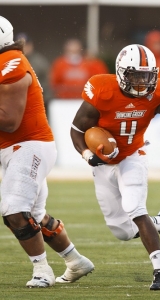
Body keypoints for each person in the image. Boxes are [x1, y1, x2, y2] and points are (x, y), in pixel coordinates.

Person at [70, 44, 160, 290]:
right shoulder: (101, 89)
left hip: (132, 155)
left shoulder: (157, 91)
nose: (142, 81)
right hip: (105, 161)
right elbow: (76, 130)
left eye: (147, 75)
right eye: (135, 75)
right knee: (122, 231)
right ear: (120, 72)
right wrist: (87, 154)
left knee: (134, 207)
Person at [0, 16, 94, 288]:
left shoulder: (11, 64)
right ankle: (75, 261)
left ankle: (42, 270)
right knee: (36, 215)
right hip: (17, 147)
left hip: (29, 145)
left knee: (13, 209)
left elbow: (9, 121)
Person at [15, 32, 52, 116]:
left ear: (31, 45)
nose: (23, 47)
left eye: (26, 44)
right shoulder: (10, 61)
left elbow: (46, 86)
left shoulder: (39, 62)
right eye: (20, 44)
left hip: (35, 103)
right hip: (15, 103)